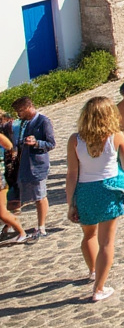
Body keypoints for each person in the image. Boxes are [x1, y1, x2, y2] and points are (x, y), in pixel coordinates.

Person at [65, 96, 124, 302]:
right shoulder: (116, 136)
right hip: (108, 191)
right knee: (106, 242)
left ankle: (92, 271)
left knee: (89, 235)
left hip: (85, 191)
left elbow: (72, 173)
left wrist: (70, 202)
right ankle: (99, 288)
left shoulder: (75, 139)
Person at [11, 97, 55, 238]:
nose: (18, 114)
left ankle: (41, 227)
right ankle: (10, 225)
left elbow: (51, 144)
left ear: (29, 107)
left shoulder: (43, 121)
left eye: (20, 110)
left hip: (38, 165)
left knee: (40, 195)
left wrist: (36, 143)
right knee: (22, 196)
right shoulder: (23, 123)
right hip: (25, 165)